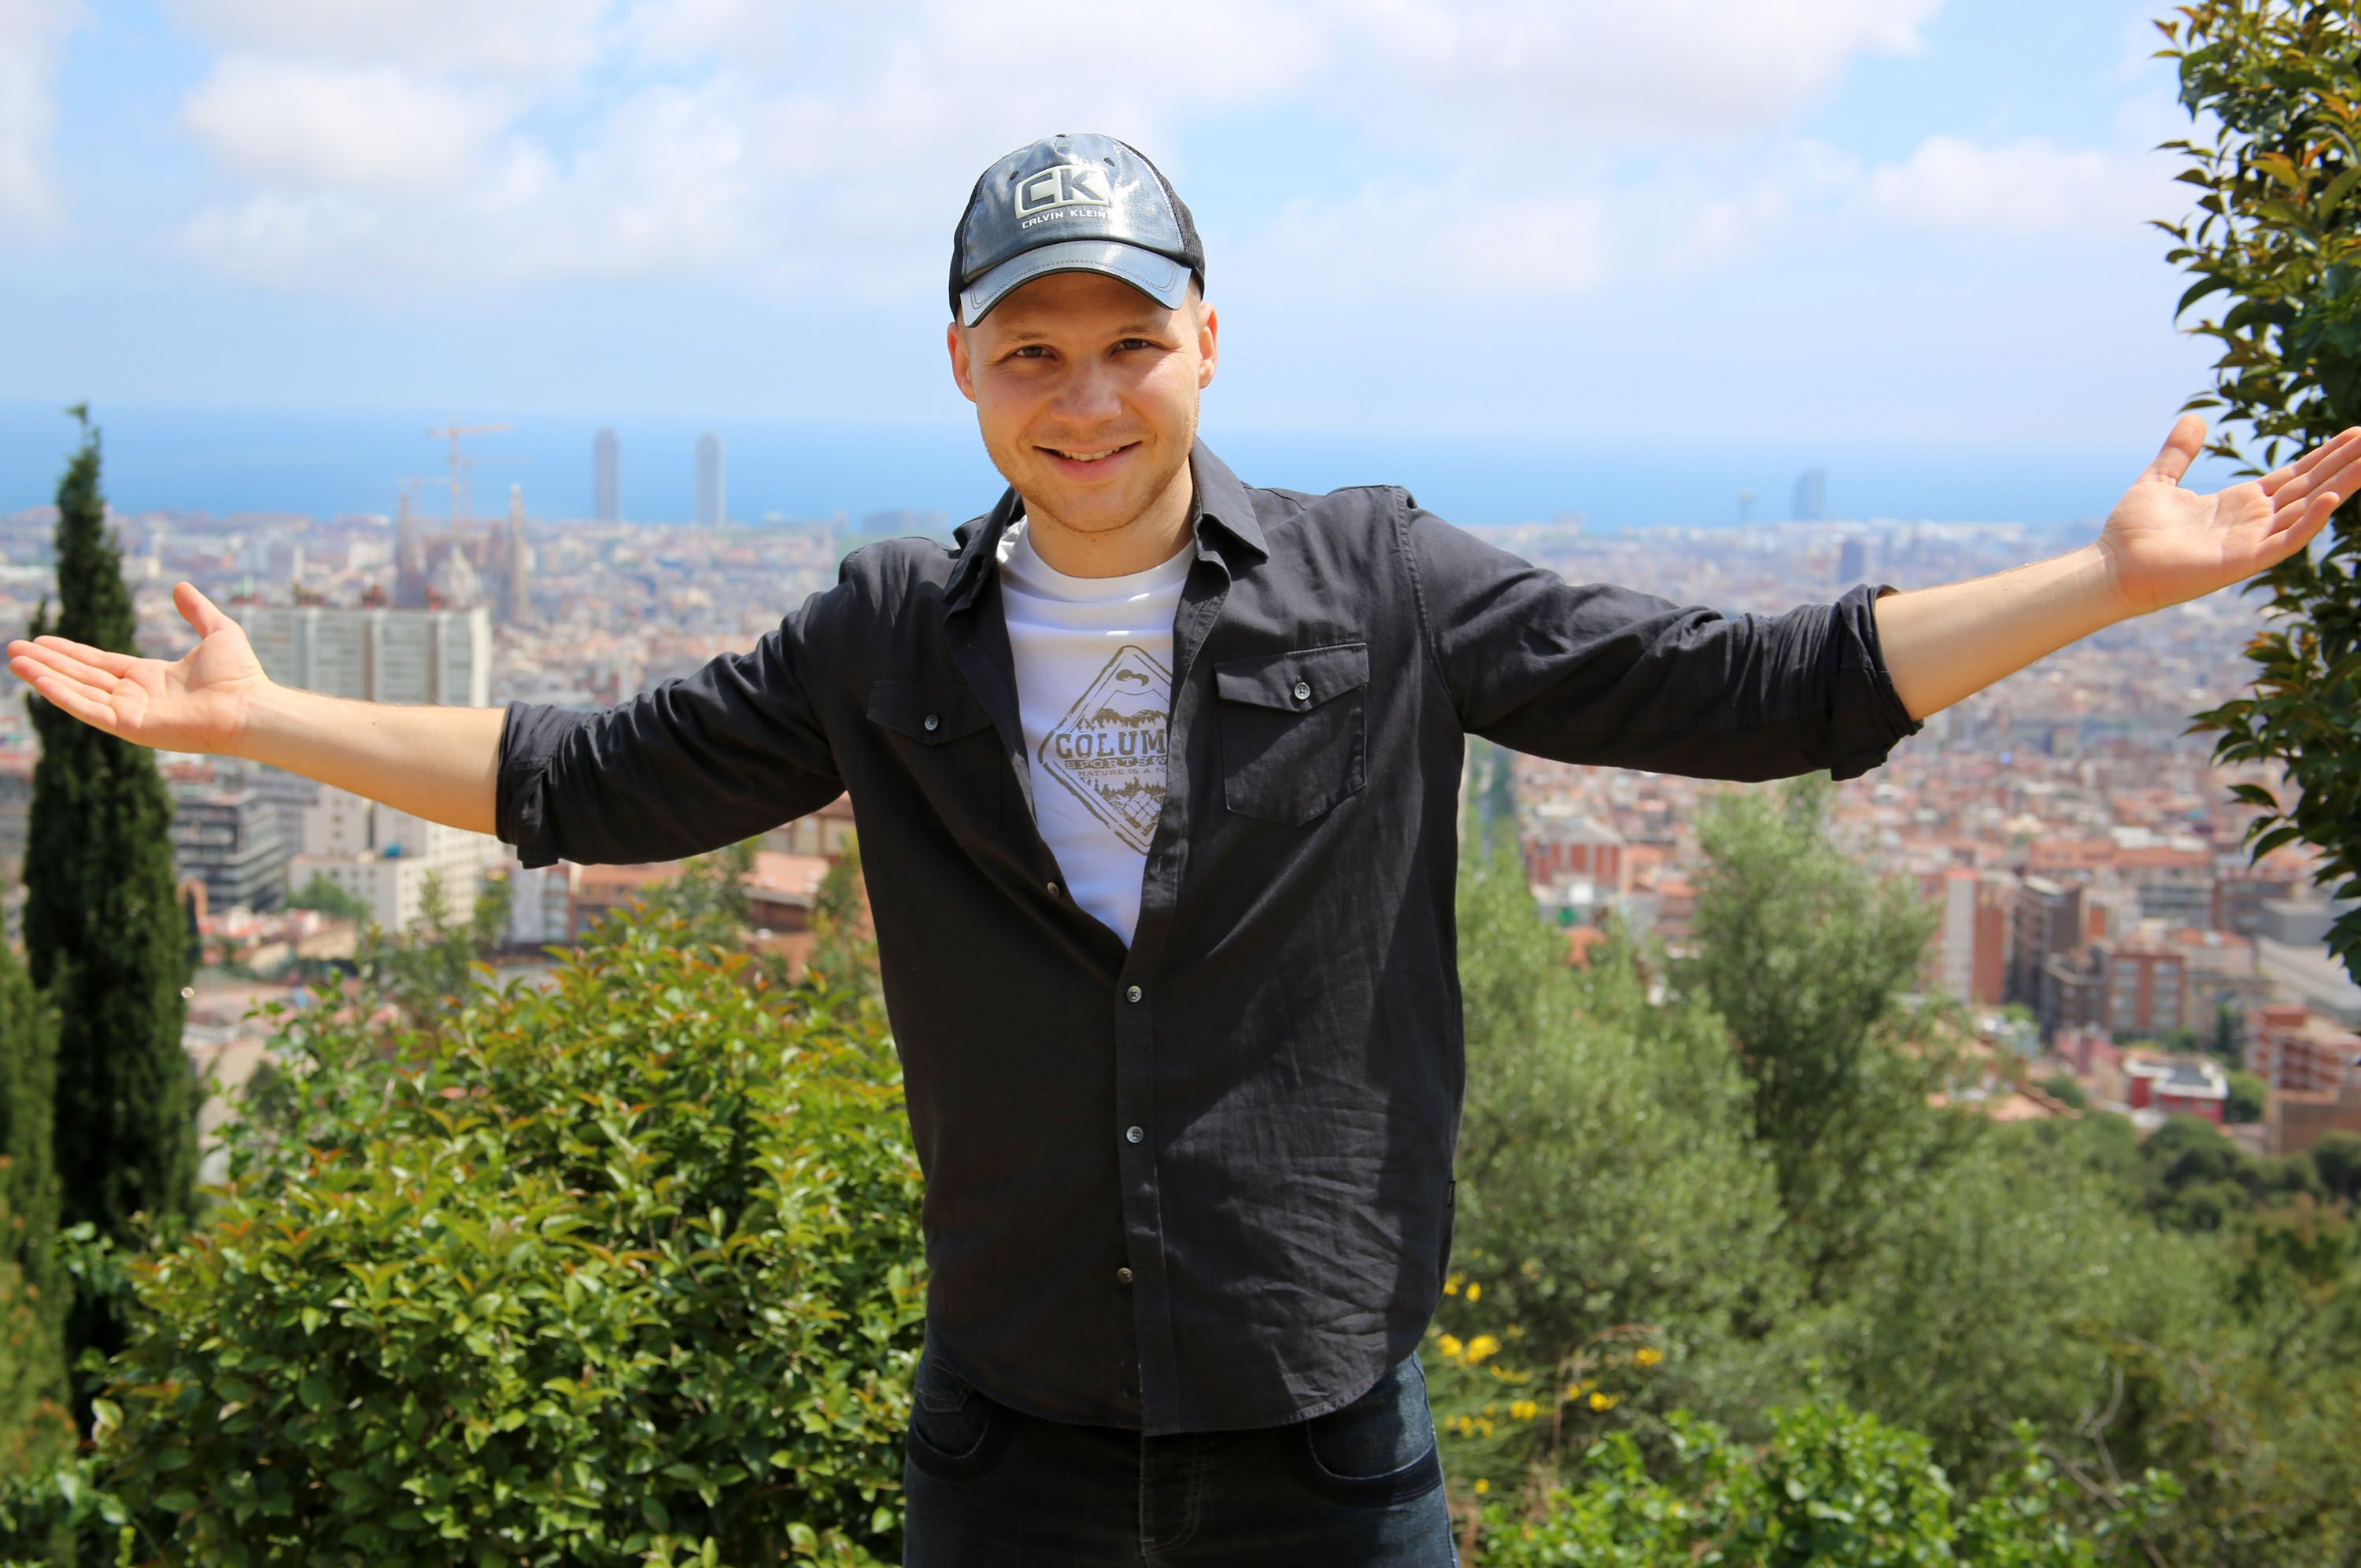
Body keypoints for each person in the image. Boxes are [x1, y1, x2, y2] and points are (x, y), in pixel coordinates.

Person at [10, 131, 2358, 1566]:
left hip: (1325, 1450)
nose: (1086, 396)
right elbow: (583, 782)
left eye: (1126, 342)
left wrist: (2106, 580)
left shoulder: (1377, 580)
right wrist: (262, 718)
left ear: (1208, 344)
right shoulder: (881, 635)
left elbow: (1751, 691)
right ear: (961, 374)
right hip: (1006, 1446)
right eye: (1029, 352)